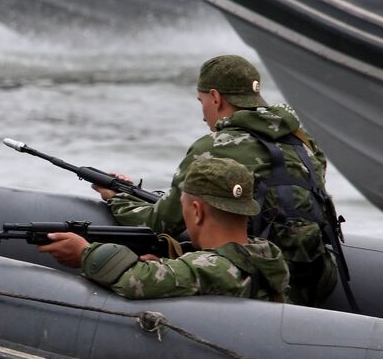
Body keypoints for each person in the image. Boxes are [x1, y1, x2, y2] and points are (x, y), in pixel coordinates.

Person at [97, 54, 341, 306]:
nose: (203, 115)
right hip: (317, 275)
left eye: (201, 101)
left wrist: (117, 198)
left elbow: (159, 222)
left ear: (215, 97)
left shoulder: (213, 146)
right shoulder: (303, 142)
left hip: (255, 280)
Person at [40, 157, 290, 301]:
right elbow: (204, 270)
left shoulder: (214, 267)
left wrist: (84, 253)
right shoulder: (265, 253)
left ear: (197, 210)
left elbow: (134, 281)